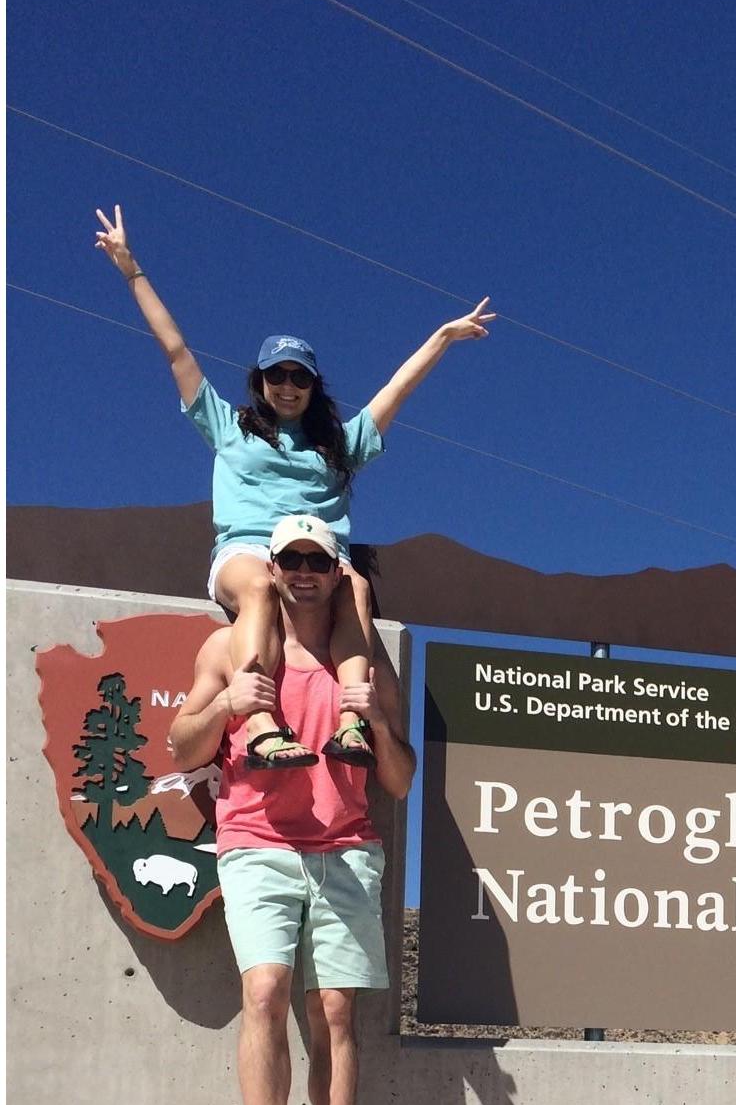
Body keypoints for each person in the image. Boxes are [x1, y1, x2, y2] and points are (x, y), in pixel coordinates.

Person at [95, 202, 492, 769]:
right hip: (249, 549)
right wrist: (132, 270)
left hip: (321, 557)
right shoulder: (229, 427)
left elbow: (393, 393)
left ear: (312, 386)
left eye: (299, 377)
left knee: (356, 588)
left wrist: (443, 337)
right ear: (260, 382)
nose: (288, 386)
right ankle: (261, 725)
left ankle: (351, 723)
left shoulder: (339, 445)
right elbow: (178, 351)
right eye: (277, 375)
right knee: (257, 587)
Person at [170, 514, 417, 1105]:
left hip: (345, 846)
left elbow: (398, 779)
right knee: (265, 991)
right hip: (256, 842)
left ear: (336, 572)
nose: (303, 570)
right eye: (291, 559)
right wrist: (224, 705)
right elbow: (182, 746)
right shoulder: (229, 647)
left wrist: (373, 722)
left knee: (336, 1009)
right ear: (271, 569)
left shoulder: (365, 664)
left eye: (317, 559)